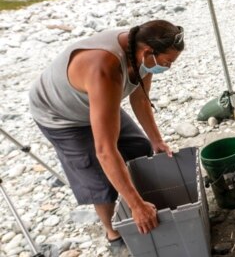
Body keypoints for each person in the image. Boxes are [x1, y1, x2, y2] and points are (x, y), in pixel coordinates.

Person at [29, 20, 185, 248]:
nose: (168, 67)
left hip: (96, 101)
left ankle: (137, 198)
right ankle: (113, 232)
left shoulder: (142, 54)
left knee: (140, 147)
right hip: (61, 115)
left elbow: (140, 98)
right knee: (98, 178)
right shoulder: (106, 68)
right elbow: (105, 151)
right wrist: (136, 206)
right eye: (167, 62)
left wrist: (157, 140)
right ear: (149, 52)